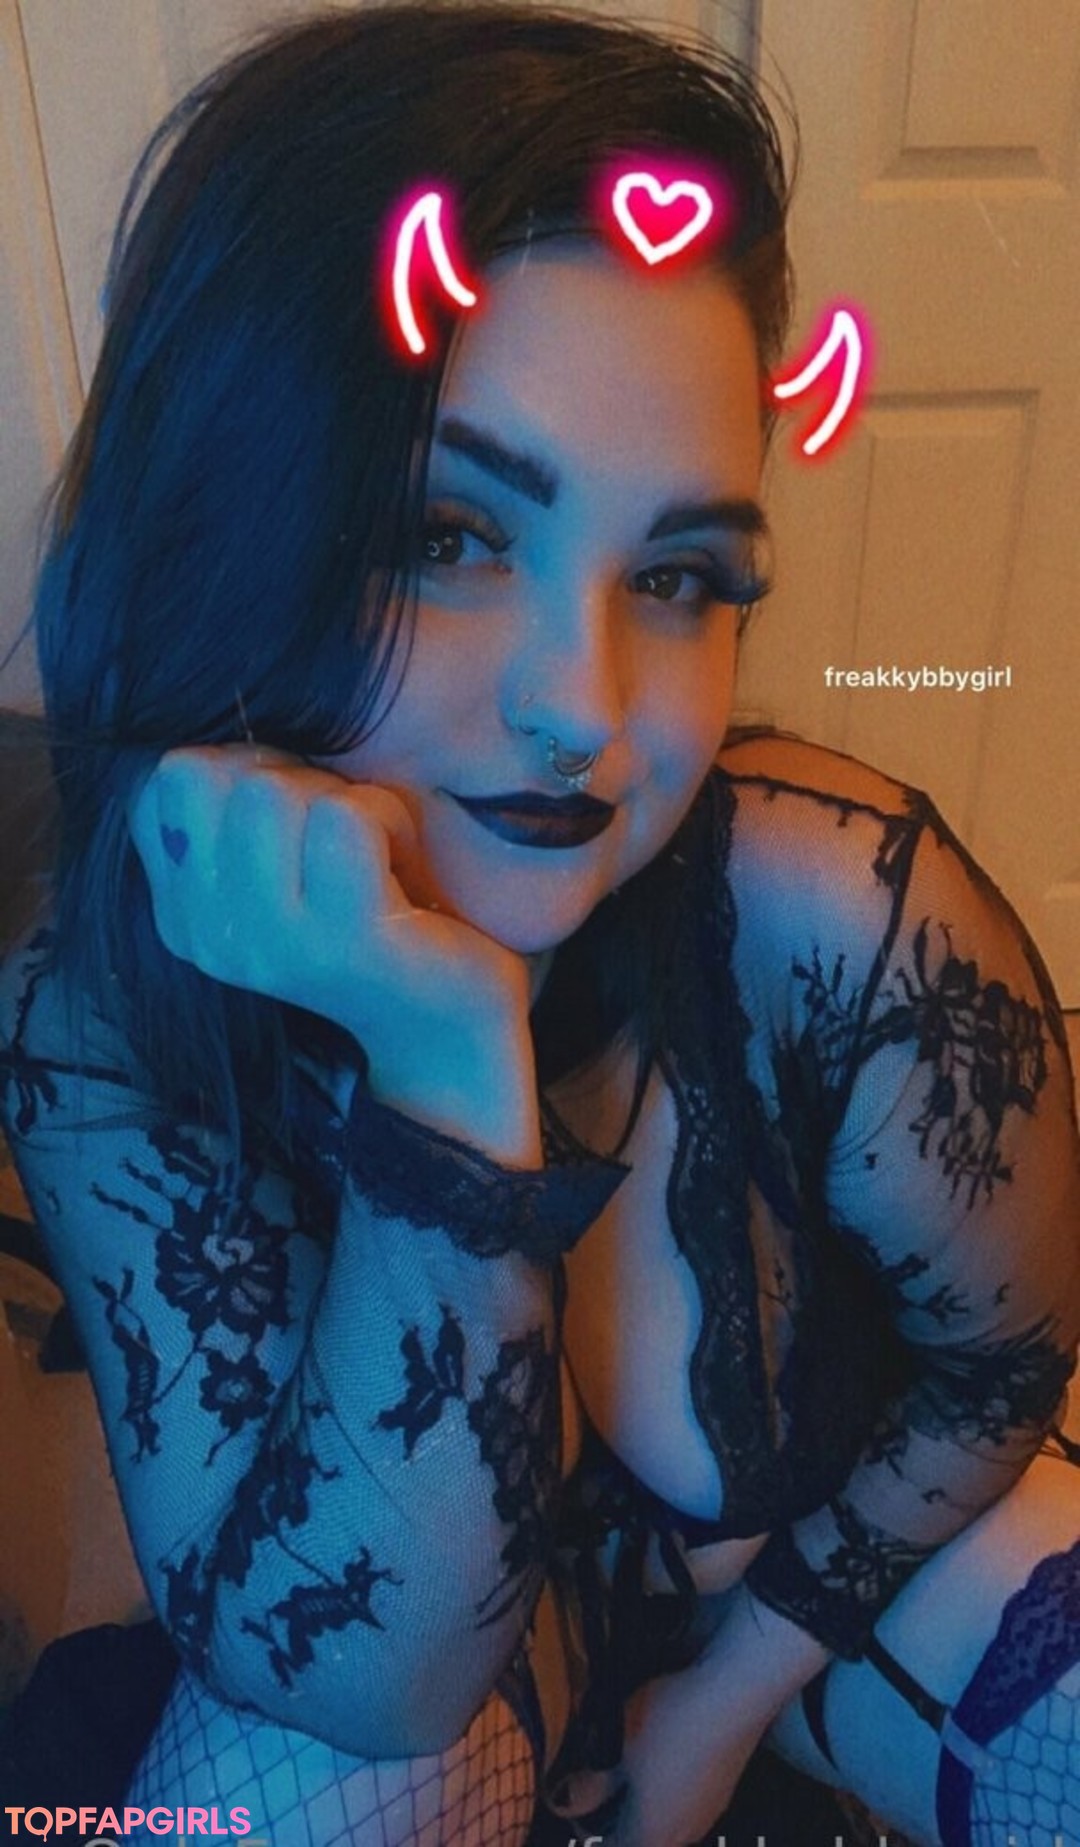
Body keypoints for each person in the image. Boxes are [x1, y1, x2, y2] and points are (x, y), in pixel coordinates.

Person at [1, 7, 1078, 1844]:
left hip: (817, 1607)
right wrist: (441, 1060)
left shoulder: (833, 912)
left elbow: (1004, 1358)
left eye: (678, 574)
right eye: (450, 537)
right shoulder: (99, 1016)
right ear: (228, 522)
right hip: (423, 1666)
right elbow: (358, 1687)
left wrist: (728, 1701)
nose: (584, 707)